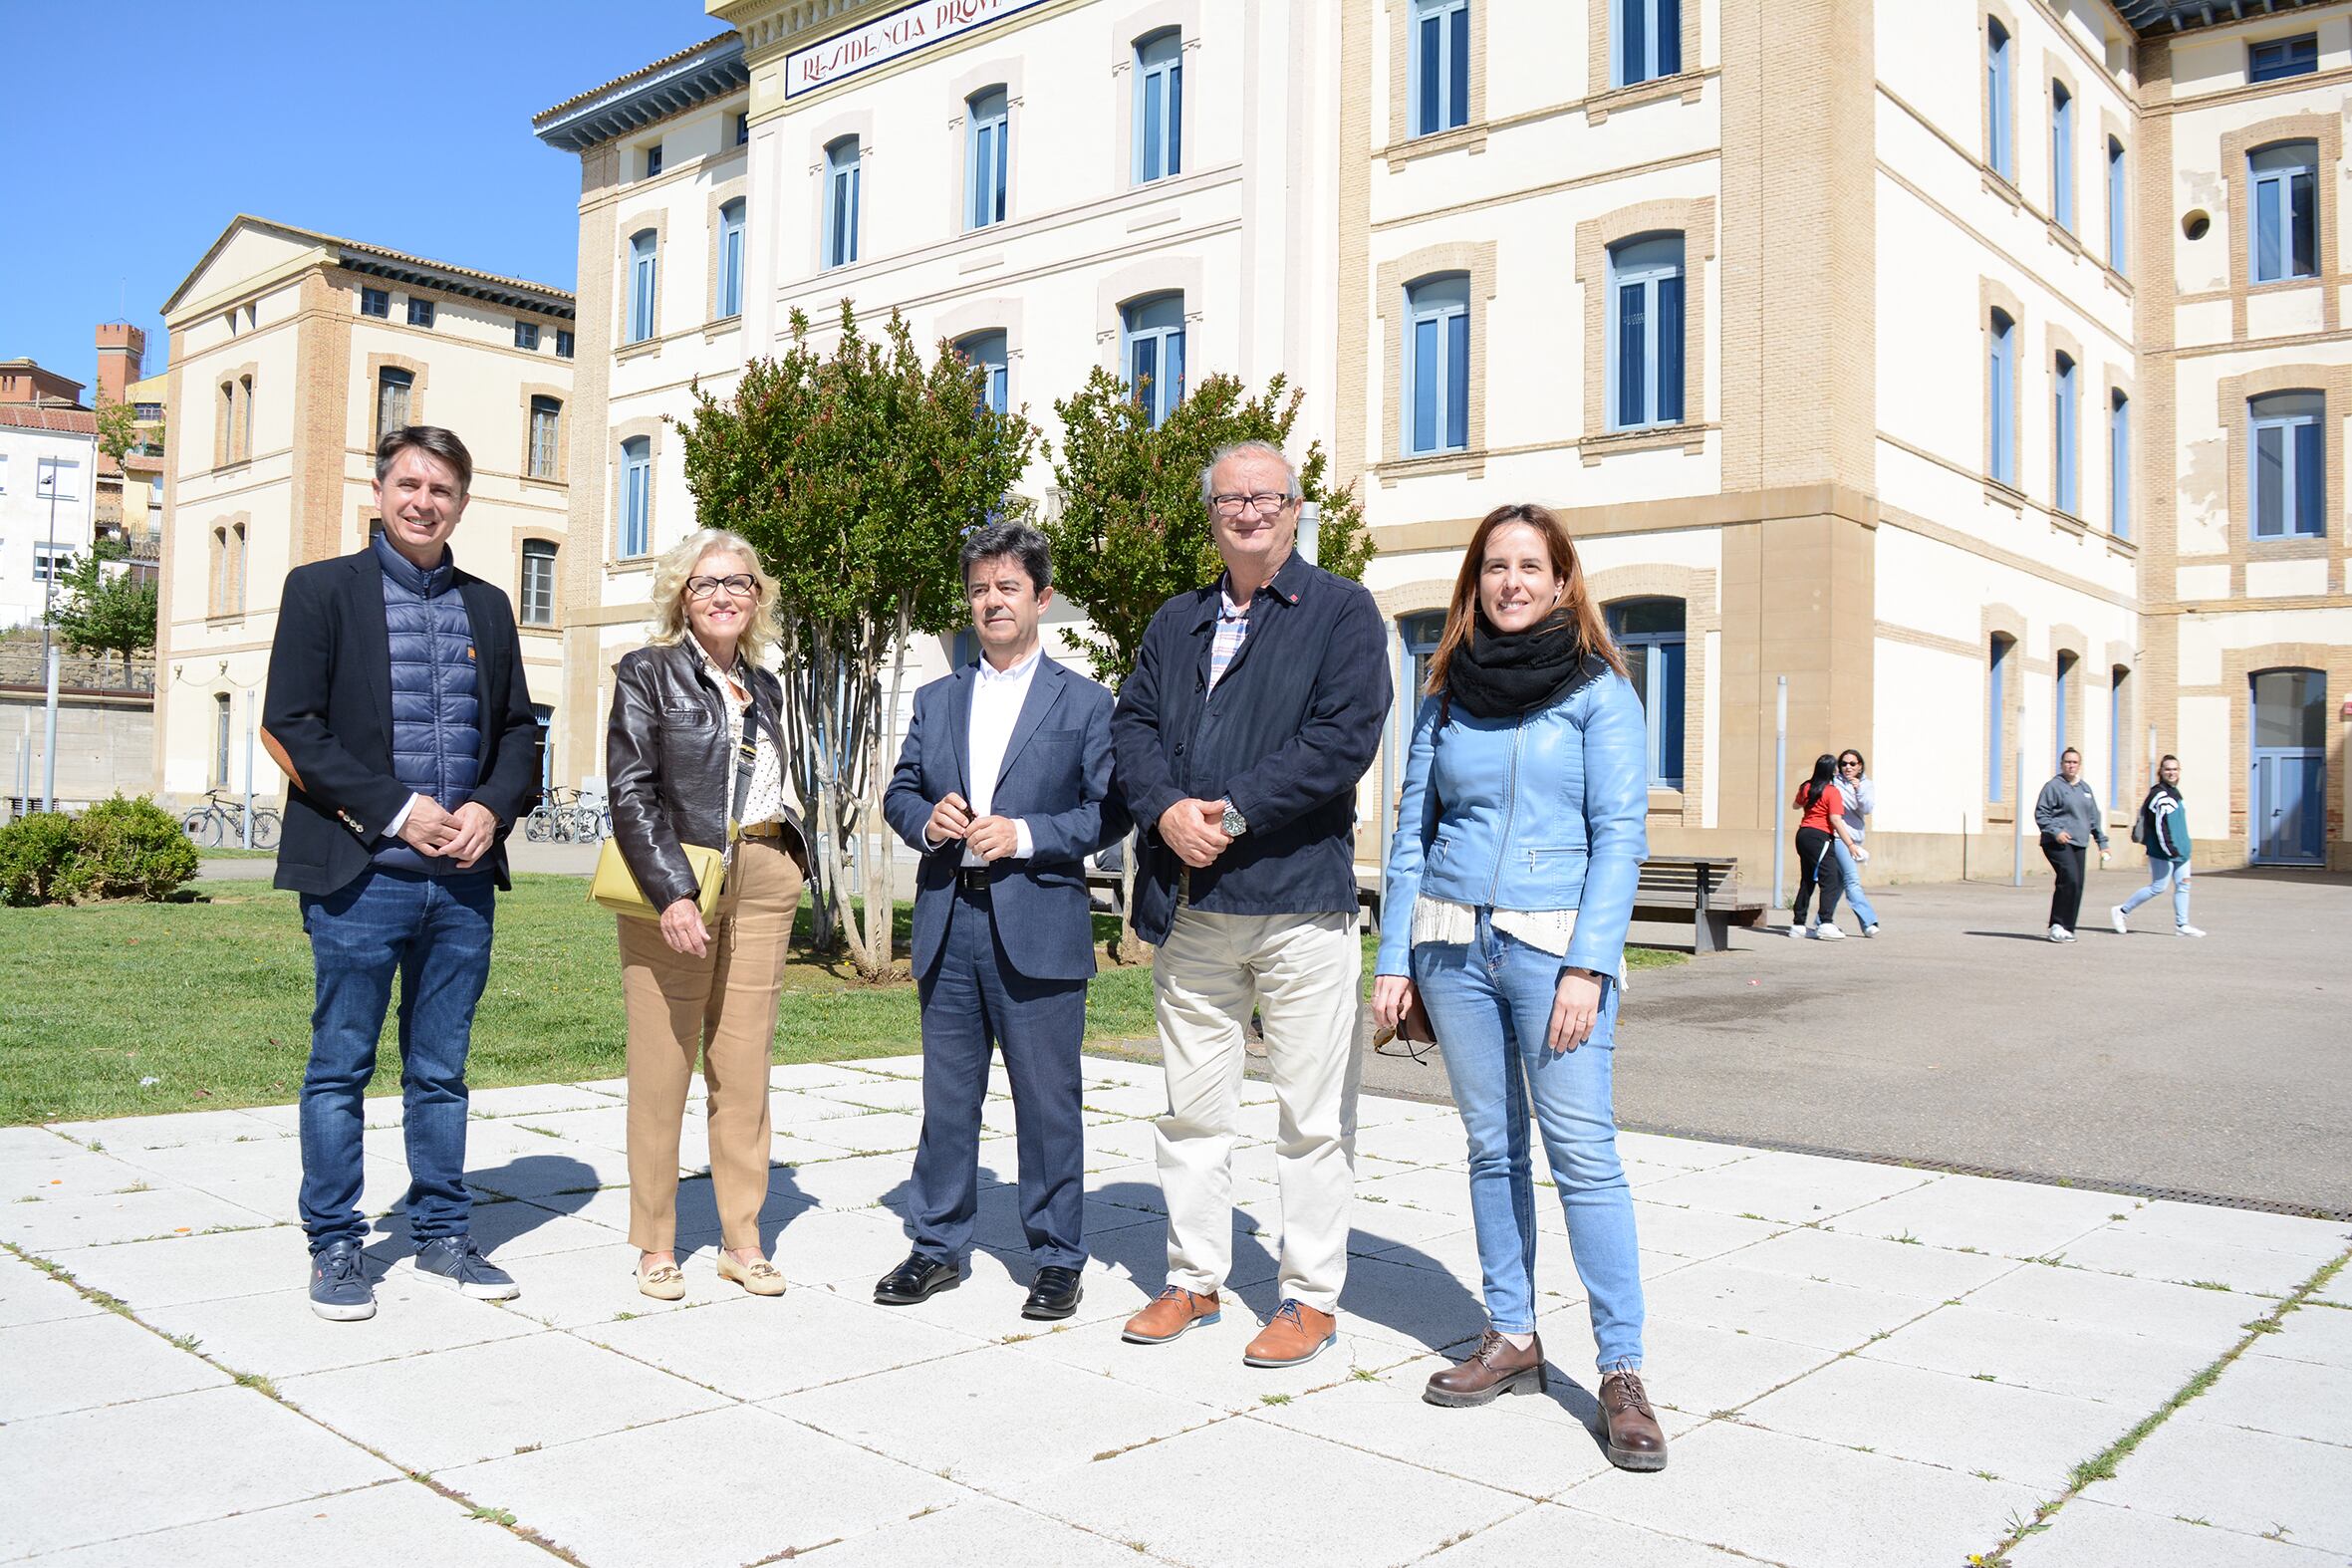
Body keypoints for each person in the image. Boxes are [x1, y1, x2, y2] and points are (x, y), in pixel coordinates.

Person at [1370, 503, 1668, 1471]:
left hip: (1554, 951)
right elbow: (1412, 825)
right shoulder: (1447, 689)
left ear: (1561, 578)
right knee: (1492, 1145)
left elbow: (1622, 833)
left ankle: (1620, 1369)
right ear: (1476, 579)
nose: (1511, 581)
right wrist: (1394, 957)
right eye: (1495, 565)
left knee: (1583, 1153)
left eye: (1529, 565)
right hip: (1455, 945)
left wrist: (1590, 961)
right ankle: (1512, 1332)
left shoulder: (1598, 691)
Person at [1110, 439, 1390, 1369]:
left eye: (1266, 497)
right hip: (1193, 909)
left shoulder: (1341, 612)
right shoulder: (1175, 620)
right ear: (1211, 514)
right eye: (1230, 499)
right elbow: (1134, 727)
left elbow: (1340, 740)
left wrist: (1225, 814)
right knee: (1193, 1111)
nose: (1248, 511)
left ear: (1295, 507)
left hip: (1299, 906)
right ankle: (1193, 1281)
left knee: (1310, 1116)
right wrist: (1162, 809)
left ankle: (1308, 1297)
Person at [260, 426, 540, 1321]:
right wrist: (397, 810)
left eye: (443, 489)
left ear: (462, 502)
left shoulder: (490, 607)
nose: (425, 501)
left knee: (441, 1070)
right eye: (410, 484)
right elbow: (293, 725)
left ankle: (444, 1235)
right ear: (379, 491)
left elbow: (517, 731)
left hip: (460, 885)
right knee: (340, 1066)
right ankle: (336, 1244)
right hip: (359, 878)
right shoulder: (320, 592)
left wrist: (491, 808)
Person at [876, 523, 1126, 1320]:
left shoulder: (1085, 703)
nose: (991, 600)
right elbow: (900, 791)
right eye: (980, 587)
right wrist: (926, 818)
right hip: (951, 922)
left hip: (1039, 926)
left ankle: (1055, 1258)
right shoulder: (937, 697)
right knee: (947, 1101)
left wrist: (1024, 835)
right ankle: (935, 1246)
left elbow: (1108, 813)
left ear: (1041, 599)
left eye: (1007, 587)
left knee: (1048, 1104)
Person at [607, 529, 809, 1300]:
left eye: (738, 582)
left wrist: (790, 858)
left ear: (757, 596)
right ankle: (656, 1243)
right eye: (704, 583)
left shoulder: (769, 684)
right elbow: (631, 790)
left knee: (744, 1068)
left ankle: (741, 1238)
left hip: (761, 877)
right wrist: (672, 892)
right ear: (679, 597)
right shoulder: (647, 672)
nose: (723, 595)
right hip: (680, 879)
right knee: (663, 1069)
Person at [2111, 754, 2204, 937]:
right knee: (2158, 887)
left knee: (2183, 886)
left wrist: (2184, 847)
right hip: (2164, 851)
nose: (2171, 772)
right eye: (2168, 769)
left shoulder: (2175, 793)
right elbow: (2160, 827)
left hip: (2181, 851)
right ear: (2160, 771)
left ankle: (2182, 924)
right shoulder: (2160, 795)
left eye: (2175, 769)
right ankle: (2121, 911)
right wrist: (2170, 849)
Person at [2034, 746, 2109, 942]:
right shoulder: (2053, 786)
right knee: (2069, 877)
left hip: (2079, 842)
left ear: (2079, 765)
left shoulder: (2085, 789)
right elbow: (2041, 813)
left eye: (2074, 762)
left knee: (2077, 884)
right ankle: (2056, 925)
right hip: (2057, 842)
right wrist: (2056, 831)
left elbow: (2093, 817)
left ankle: (2068, 927)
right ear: (2061, 764)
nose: (2071, 765)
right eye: (2067, 761)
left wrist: (2102, 842)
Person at [1788, 755, 1862, 940]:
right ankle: (1826, 923)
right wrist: (1850, 845)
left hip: (1803, 835)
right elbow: (1835, 819)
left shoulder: (1806, 787)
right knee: (1832, 879)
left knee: (1808, 879)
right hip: (1820, 837)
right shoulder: (1831, 791)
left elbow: (1795, 805)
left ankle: (1798, 924)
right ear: (1831, 770)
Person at [1828, 750, 1881, 936]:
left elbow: (1867, 808)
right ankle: (1868, 922)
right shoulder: (1833, 783)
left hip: (1856, 838)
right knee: (1852, 881)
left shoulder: (1866, 784)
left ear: (1860, 765)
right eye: (1844, 764)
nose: (1847, 767)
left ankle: (1822, 920)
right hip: (1839, 837)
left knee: (1838, 884)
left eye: (1852, 764)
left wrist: (1858, 790)